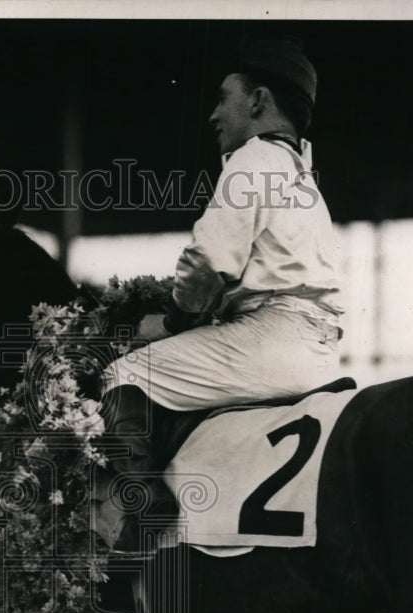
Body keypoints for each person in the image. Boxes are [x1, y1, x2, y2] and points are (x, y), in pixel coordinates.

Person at [98, 36, 344, 550]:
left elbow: (208, 263)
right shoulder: (302, 174)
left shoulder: (253, 158)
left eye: (222, 98)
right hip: (320, 347)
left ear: (257, 102)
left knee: (125, 371)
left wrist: (171, 325)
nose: (213, 115)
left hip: (272, 337)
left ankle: (146, 508)